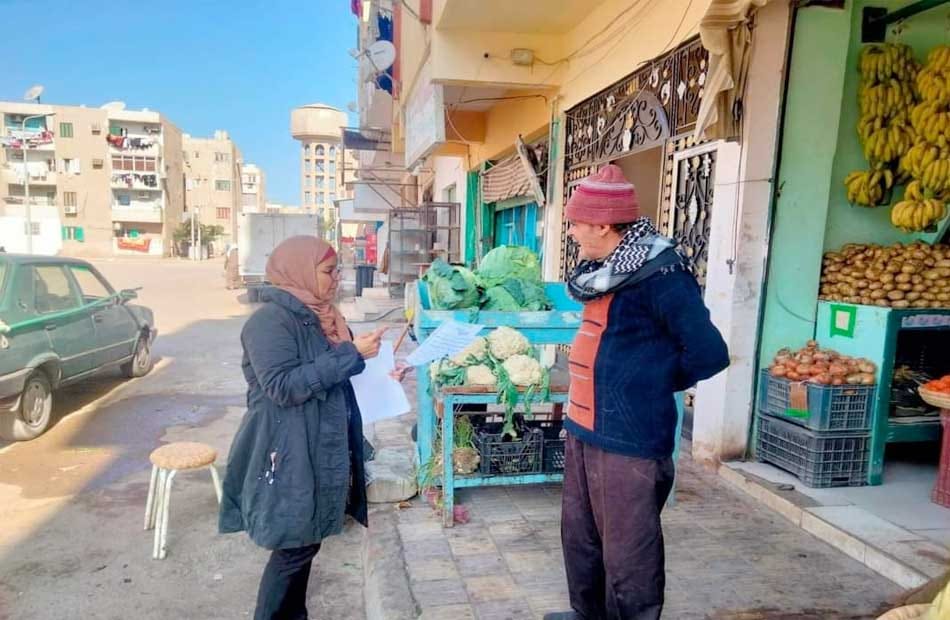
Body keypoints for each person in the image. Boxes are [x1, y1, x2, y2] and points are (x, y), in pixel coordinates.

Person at [544, 164, 729, 620]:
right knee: (580, 534)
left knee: (630, 551)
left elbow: (709, 353)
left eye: (576, 223)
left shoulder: (662, 276)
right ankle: (586, 612)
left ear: (604, 224)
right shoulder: (602, 270)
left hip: (630, 436)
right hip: (585, 426)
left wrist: (652, 381)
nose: (572, 233)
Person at [219, 235, 386, 620]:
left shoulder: (320, 316)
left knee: (306, 541)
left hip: (320, 442)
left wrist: (380, 368)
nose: (337, 278)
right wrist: (351, 354)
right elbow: (283, 387)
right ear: (299, 272)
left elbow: (334, 373)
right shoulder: (270, 322)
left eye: (337, 270)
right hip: (288, 447)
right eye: (329, 271)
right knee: (294, 546)